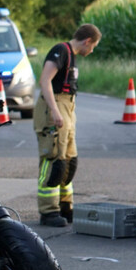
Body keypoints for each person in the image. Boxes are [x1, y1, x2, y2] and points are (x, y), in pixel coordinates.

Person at [33, 24, 102, 227]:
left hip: (68, 106)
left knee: (69, 161)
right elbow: (45, 80)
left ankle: (65, 206)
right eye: (94, 46)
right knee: (54, 160)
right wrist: (55, 111)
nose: (92, 50)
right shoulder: (61, 50)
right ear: (87, 41)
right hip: (55, 106)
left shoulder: (72, 55)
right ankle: (48, 211)